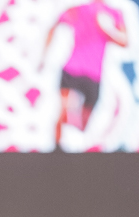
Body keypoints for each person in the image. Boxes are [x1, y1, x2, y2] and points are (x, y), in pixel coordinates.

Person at [45, 0, 130, 146]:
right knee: (63, 111)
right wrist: (44, 55)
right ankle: (57, 149)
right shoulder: (78, 10)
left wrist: (106, 30)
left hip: (93, 74)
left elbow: (124, 42)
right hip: (72, 69)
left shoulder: (113, 14)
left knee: (83, 121)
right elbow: (55, 25)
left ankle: (74, 147)